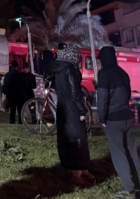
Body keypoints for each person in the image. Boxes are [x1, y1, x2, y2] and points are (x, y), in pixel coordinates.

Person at [97, 46, 140, 199]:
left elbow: (102, 99)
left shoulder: (104, 74)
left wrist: (101, 118)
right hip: (127, 117)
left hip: (113, 119)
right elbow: (128, 94)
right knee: (132, 152)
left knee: (119, 154)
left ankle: (129, 189)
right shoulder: (123, 73)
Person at [54, 43, 93, 186]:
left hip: (62, 109)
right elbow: (75, 94)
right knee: (78, 140)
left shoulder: (59, 70)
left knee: (66, 140)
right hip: (73, 111)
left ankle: (71, 168)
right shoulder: (71, 70)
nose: (78, 59)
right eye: (77, 57)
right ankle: (78, 173)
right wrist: (82, 111)